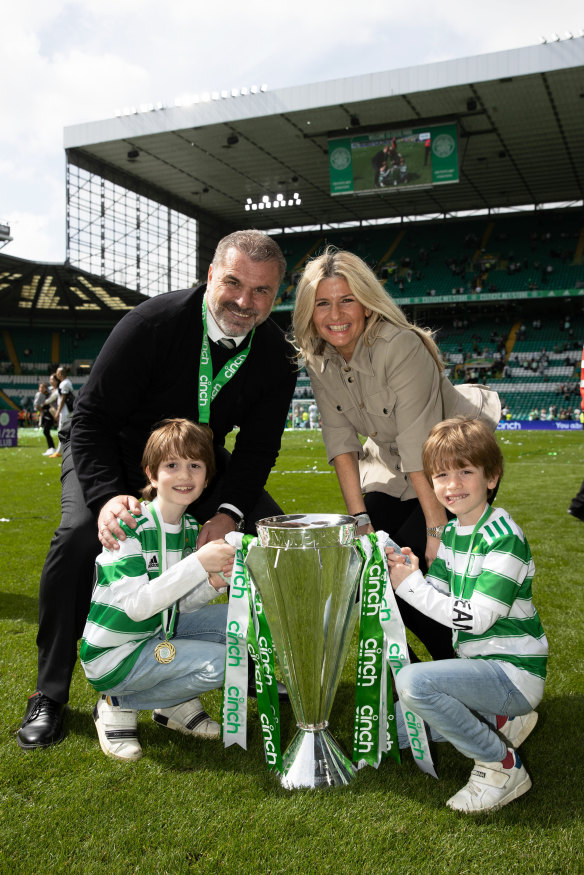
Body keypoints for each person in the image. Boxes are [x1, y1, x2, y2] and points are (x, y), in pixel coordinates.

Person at [17, 229, 297, 750]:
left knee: (270, 541)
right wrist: (104, 499)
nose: (244, 301)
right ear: (211, 275)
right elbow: (92, 420)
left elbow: (258, 450)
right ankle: (49, 693)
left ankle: (258, 664)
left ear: (276, 295)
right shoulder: (152, 324)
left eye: (262, 291)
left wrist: (230, 513)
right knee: (80, 539)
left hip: (199, 466)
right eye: (234, 283)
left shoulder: (277, 354)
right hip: (115, 455)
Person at [293, 247, 467, 662]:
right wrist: (359, 522)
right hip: (389, 467)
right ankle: (408, 677)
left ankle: (457, 669)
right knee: (365, 573)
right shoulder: (319, 360)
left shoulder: (400, 345)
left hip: (453, 463)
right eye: (323, 303)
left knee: (408, 572)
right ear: (310, 312)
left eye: (347, 299)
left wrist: (436, 529)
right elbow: (340, 441)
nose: (335, 313)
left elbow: (417, 444)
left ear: (367, 305)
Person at [386, 417, 548, 813]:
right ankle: (502, 721)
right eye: (441, 474)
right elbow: (438, 596)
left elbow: (477, 619)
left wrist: (411, 586)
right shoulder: (454, 533)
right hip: (480, 667)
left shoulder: (503, 537)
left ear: (491, 477)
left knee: (414, 684)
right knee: (395, 725)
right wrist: (410, 570)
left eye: (465, 472)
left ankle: (500, 765)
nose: (452, 485)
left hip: (513, 673)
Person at [81, 418, 235, 762]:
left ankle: (171, 704)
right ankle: (116, 703)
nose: (185, 475)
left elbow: (179, 605)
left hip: (155, 634)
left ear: (207, 477)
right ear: (151, 474)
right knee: (223, 664)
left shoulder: (191, 527)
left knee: (239, 621)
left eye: (195, 465)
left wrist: (213, 582)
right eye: (172, 465)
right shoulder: (128, 526)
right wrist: (198, 564)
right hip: (116, 655)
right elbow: (137, 607)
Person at [49, 365, 75, 459]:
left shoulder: (64, 384)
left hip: (65, 410)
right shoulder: (65, 383)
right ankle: (64, 449)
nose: (56, 374)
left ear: (60, 374)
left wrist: (58, 411)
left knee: (62, 429)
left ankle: (59, 451)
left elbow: (63, 399)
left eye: (57, 372)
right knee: (66, 429)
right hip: (66, 410)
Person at [33, 381, 56, 456]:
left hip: (49, 414)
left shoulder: (48, 395)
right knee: (46, 431)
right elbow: (37, 406)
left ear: (46, 388)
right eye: (40, 387)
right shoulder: (40, 395)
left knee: (46, 431)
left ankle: (52, 448)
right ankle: (51, 448)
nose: (41, 389)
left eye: (42, 387)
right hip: (45, 414)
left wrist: (41, 407)